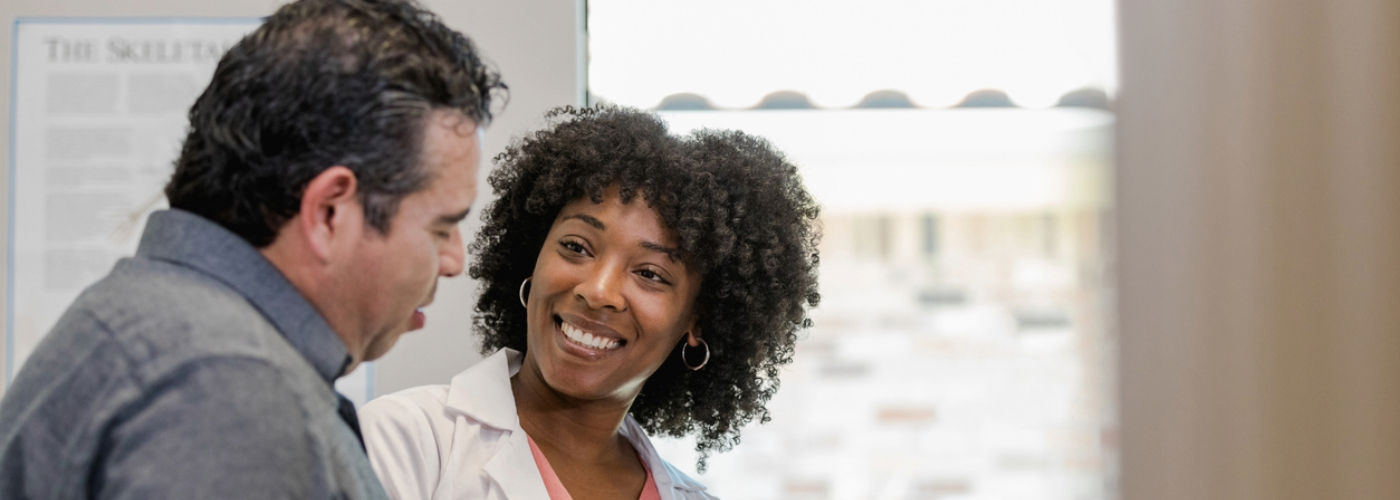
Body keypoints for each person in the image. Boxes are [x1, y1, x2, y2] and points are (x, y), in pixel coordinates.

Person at [0, 0, 505, 498]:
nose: (455, 261)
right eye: (441, 228)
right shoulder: (235, 392)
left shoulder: (150, 318)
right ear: (330, 212)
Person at [358, 106, 822, 500]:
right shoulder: (404, 442)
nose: (597, 290)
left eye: (650, 274)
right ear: (533, 256)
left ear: (698, 320)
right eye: (577, 247)